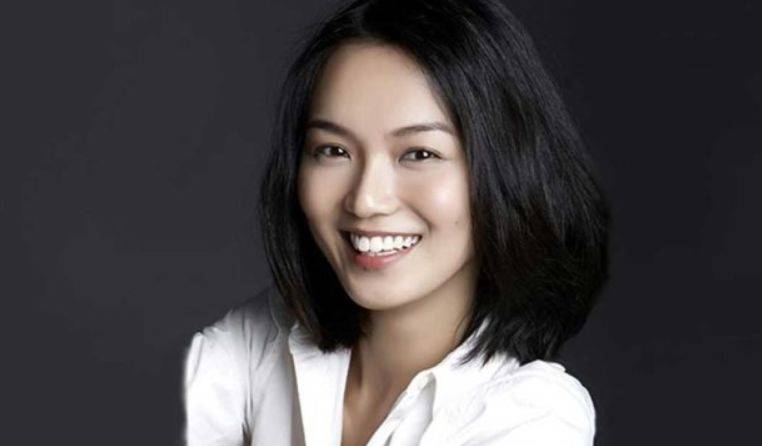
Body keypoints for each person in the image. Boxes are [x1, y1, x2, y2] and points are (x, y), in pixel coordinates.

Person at [183, 0, 610, 444]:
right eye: (333, 150)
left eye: (419, 154)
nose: (366, 200)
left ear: (509, 169)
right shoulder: (262, 337)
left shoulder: (532, 418)